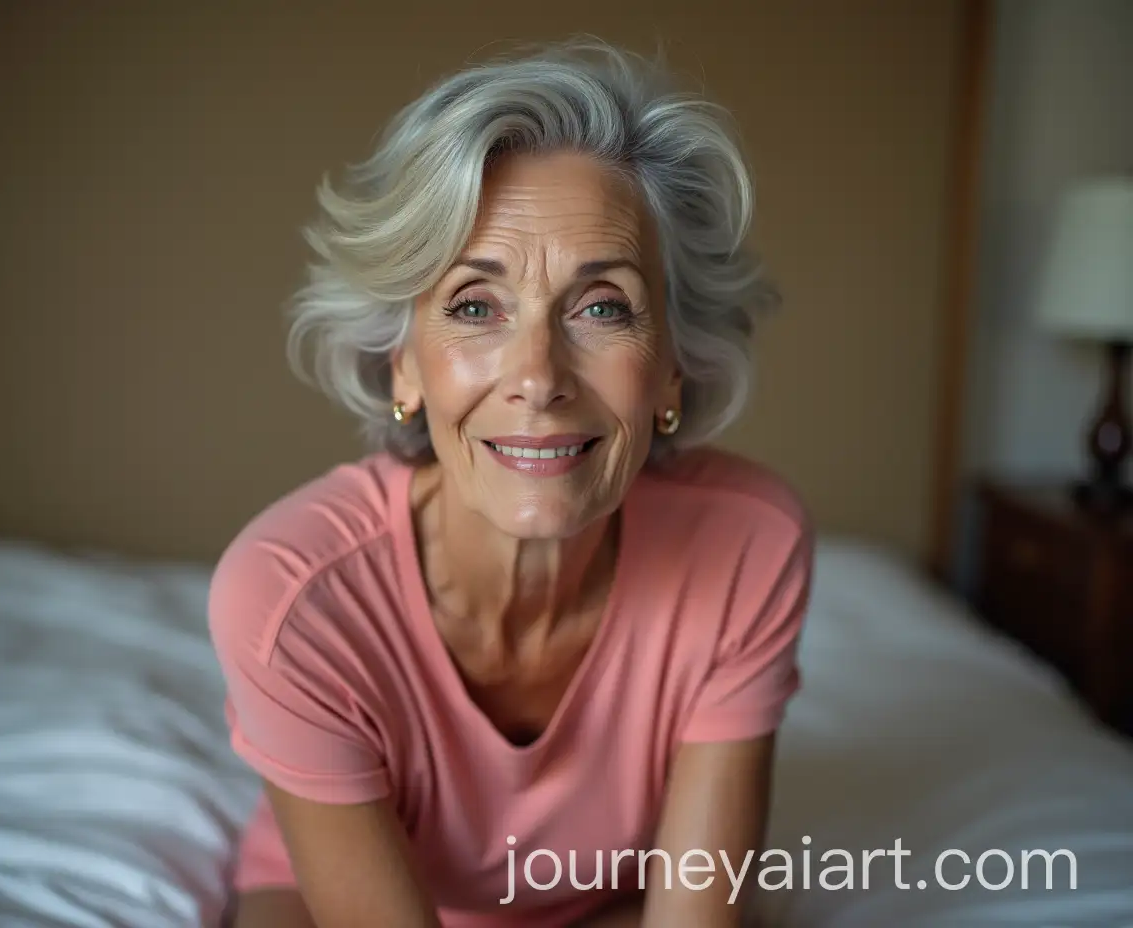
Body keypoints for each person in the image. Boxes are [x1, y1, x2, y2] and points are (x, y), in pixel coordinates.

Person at [207, 38, 813, 928]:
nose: (538, 376)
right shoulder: (289, 598)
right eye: (474, 306)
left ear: (673, 370)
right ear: (402, 366)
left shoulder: (748, 547)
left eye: (602, 306)